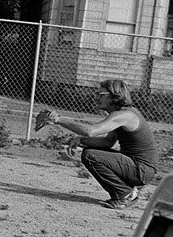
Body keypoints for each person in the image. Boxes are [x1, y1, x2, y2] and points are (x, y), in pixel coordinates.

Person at [35, 78, 158, 209]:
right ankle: (125, 191)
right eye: (97, 94)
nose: (96, 98)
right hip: (140, 168)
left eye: (101, 95)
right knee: (90, 153)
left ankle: (125, 194)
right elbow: (108, 142)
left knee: (90, 155)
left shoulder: (124, 115)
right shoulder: (121, 114)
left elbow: (91, 131)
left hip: (142, 170)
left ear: (115, 96)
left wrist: (57, 119)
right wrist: (81, 140)